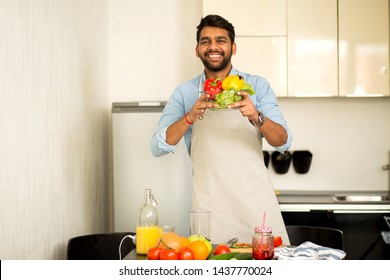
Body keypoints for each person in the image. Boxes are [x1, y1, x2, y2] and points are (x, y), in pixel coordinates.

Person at [151, 14, 292, 244]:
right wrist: (189, 117)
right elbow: (157, 146)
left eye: (221, 40)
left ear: (233, 48)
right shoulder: (184, 93)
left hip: (255, 206)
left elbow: (283, 140)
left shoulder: (257, 86)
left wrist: (256, 115)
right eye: (205, 41)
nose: (213, 46)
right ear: (197, 49)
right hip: (210, 211)